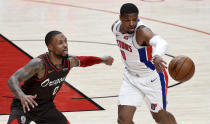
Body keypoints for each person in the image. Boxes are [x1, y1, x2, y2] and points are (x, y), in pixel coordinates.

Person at [7, 30, 114, 124]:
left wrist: (102, 60)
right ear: (50, 47)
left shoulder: (69, 62)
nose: (65, 45)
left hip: (45, 107)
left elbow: (84, 61)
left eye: (66, 41)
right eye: (60, 43)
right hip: (24, 106)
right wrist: (21, 95)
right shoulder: (39, 64)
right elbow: (13, 79)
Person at [112, 3, 177, 124]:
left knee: (160, 117)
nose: (132, 23)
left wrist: (157, 55)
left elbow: (161, 42)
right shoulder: (115, 27)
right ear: (120, 18)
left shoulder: (141, 31)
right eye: (127, 20)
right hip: (130, 77)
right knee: (123, 120)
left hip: (152, 78)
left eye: (134, 19)